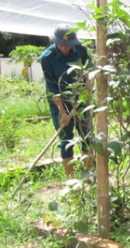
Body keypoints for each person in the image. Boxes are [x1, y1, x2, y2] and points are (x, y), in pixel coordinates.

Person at [40, 23, 93, 178]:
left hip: (81, 99)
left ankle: (88, 177)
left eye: (68, 45)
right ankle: (70, 180)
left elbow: (90, 69)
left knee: (87, 136)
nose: (65, 48)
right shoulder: (47, 57)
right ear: (55, 42)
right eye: (62, 45)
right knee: (66, 139)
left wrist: (88, 86)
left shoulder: (80, 50)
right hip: (60, 102)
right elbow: (52, 87)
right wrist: (62, 112)